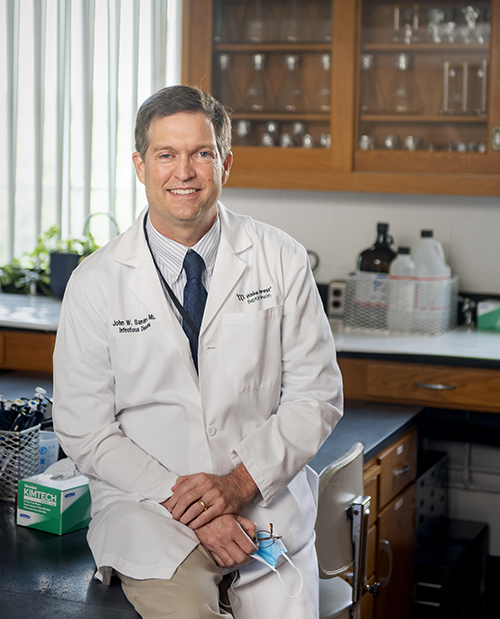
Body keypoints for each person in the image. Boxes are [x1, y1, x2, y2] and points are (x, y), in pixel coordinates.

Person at [52, 85, 343, 619]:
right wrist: (193, 503)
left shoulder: (280, 258)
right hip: (147, 507)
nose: (183, 171)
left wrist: (237, 484)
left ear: (225, 164)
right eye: (166, 154)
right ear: (140, 166)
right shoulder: (95, 282)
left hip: (264, 502)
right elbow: (84, 428)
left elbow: (316, 395)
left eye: (201, 154)